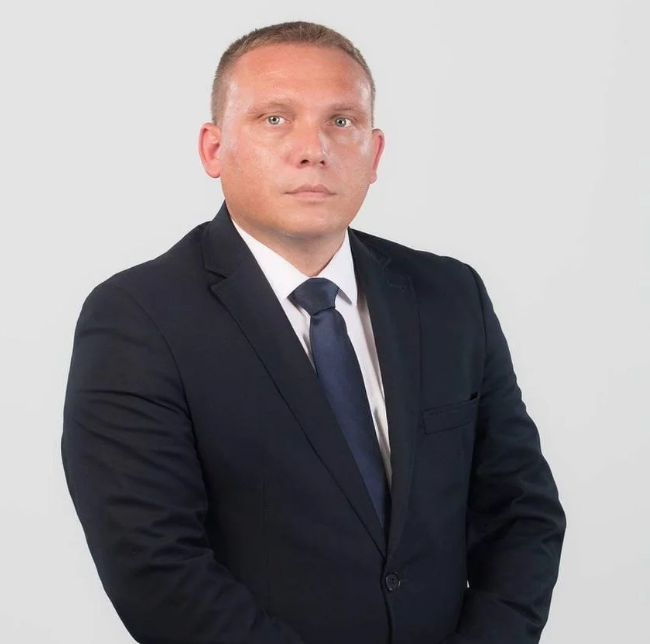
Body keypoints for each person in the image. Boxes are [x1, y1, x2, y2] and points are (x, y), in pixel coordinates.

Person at [61, 20, 566, 644]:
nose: (313, 148)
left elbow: (522, 512)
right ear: (213, 149)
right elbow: (155, 567)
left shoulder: (449, 296)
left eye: (341, 121)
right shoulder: (137, 318)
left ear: (374, 154)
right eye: (274, 118)